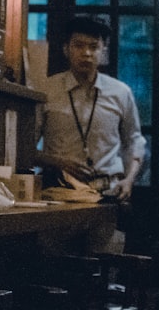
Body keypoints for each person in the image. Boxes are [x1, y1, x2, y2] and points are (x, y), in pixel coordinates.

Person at [34, 16, 145, 203]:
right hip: (59, 193)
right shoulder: (46, 91)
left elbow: (134, 142)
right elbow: (25, 148)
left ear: (104, 52)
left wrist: (129, 180)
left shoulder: (121, 92)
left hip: (108, 194)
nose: (86, 53)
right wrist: (60, 162)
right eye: (78, 45)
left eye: (94, 47)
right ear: (66, 49)